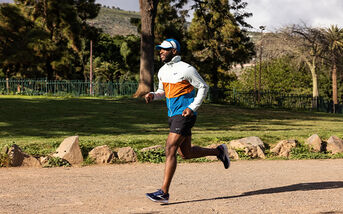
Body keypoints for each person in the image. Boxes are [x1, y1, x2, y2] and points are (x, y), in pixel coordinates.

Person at [144, 38, 230, 204]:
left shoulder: (187, 69)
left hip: (185, 115)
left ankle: (164, 192)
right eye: (160, 49)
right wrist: (153, 95)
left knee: (170, 148)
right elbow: (163, 91)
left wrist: (192, 107)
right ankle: (219, 151)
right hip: (172, 114)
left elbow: (203, 87)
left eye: (164, 49)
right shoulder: (162, 71)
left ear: (174, 51)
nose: (160, 51)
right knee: (186, 153)